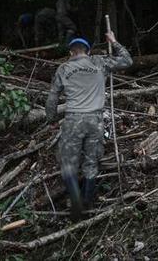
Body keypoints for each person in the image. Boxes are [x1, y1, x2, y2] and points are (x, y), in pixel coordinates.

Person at [46, 34, 133, 220]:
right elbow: (127, 61)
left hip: (73, 120)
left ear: (71, 52)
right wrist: (114, 41)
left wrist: (51, 119)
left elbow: (52, 97)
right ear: (88, 51)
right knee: (91, 163)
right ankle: (87, 203)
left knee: (68, 162)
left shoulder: (64, 68)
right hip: (95, 119)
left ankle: (75, 198)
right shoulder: (99, 62)